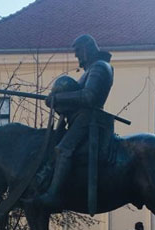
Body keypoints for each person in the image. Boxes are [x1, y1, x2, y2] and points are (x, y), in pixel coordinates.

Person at [35, 34, 114, 209]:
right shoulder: (90, 70)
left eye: (78, 51)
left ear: (87, 49)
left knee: (63, 149)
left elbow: (89, 96)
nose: (76, 56)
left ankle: (53, 195)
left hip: (89, 119)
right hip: (80, 118)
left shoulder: (100, 67)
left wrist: (59, 97)